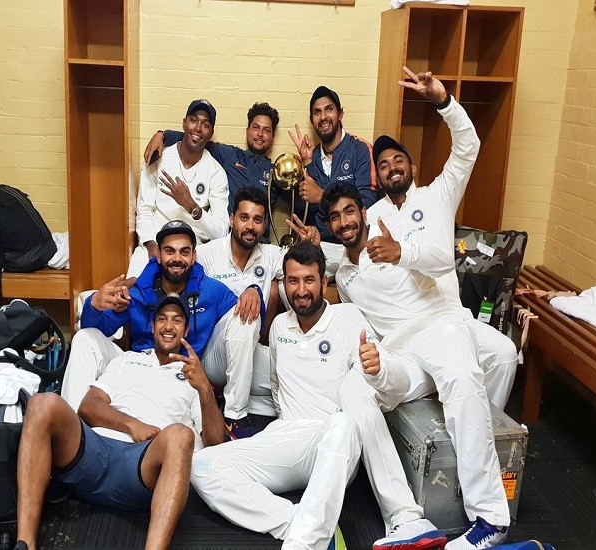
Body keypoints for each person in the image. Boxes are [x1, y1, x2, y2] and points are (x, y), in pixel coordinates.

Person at [325, 66, 511, 549]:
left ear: (410, 165)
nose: (391, 167)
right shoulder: (368, 225)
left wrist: (443, 101)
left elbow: (442, 255)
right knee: (354, 388)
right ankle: (405, 516)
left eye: (398, 160)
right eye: (383, 164)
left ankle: (490, 514)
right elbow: (340, 240)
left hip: (441, 322)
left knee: (481, 366)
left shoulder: (435, 196)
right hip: (402, 351)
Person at [191, 242, 424, 550]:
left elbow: (398, 385)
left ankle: (304, 542)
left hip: (333, 444)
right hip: (285, 437)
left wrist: (380, 369)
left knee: (343, 423)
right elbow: (276, 387)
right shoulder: (279, 326)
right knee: (202, 465)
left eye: (309, 280)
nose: (301, 290)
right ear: (284, 284)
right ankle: (299, 521)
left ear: (324, 283)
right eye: (293, 281)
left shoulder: (348, 321)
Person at [14, 296, 226, 550]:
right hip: (94, 453)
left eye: (177, 321)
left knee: (181, 436)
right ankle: (25, 543)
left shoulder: (193, 377)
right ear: (152, 327)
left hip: (140, 467)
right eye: (162, 319)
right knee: (42, 403)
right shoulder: (127, 360)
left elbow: (215, 440)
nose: (168, 326)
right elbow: (89, 406)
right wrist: (131, 424)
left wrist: (204, 389)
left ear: (186, 330)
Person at [64, 220, 262, 439]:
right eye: (169, 251)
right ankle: (69, 432)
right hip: (140, 363)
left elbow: (244, 312)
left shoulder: (209, 290)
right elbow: (95, 330)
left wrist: (254, 291)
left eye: (184, 252)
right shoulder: (138, 293)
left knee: (245, 318)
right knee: (84, 338)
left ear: (193, 256)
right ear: (158, 255)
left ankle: (235, 416)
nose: (177, 258)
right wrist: (93, 306)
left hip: (190, 365)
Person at [195, 187, 286, 416]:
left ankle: (287, 423)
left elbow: (304, 267)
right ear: (232, 219)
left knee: (291, 373)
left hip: (251, 350)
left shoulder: (271, 255)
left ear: (264, 225)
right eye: (244, 218)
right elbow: (171, 268)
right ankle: (234, 415)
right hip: (213, 355)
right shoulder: (208, 254)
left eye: (257, 220)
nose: (250, 226)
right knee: (245, 316)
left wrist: (312, 245)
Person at [130, 99, 229, 277]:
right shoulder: (159, 157)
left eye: (205, 124)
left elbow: (221, 231)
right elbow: (144, 209)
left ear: (211, 133)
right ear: (184, 123)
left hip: (193, 250)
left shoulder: (216, 173)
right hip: (156, 242)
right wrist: (151, 245)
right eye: (193, 120)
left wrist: (192, 207)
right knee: (133, 287)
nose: (198, 128)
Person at [144, 102, 281, 226]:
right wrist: (162, 135)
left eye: (266, 130)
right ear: (247, 130)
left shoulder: (278, 173)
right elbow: (194, 138)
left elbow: (294, 203)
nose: (260, 134)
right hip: (230, 238)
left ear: (273, 136)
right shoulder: (229, 155)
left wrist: (299, 161)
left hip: (261, 240)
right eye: (255, 128)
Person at [288, 85, 377, 273]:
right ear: (312, 120)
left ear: (340, 114)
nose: (323, 117)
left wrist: (322, 196)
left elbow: (368, 203)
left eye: (329, 109)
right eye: (317, 112)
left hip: (355, 245)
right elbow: (308, 214)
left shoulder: (360, 149)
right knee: (287, 280)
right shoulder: (311, 157)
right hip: (321, 247)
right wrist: (307, 163)